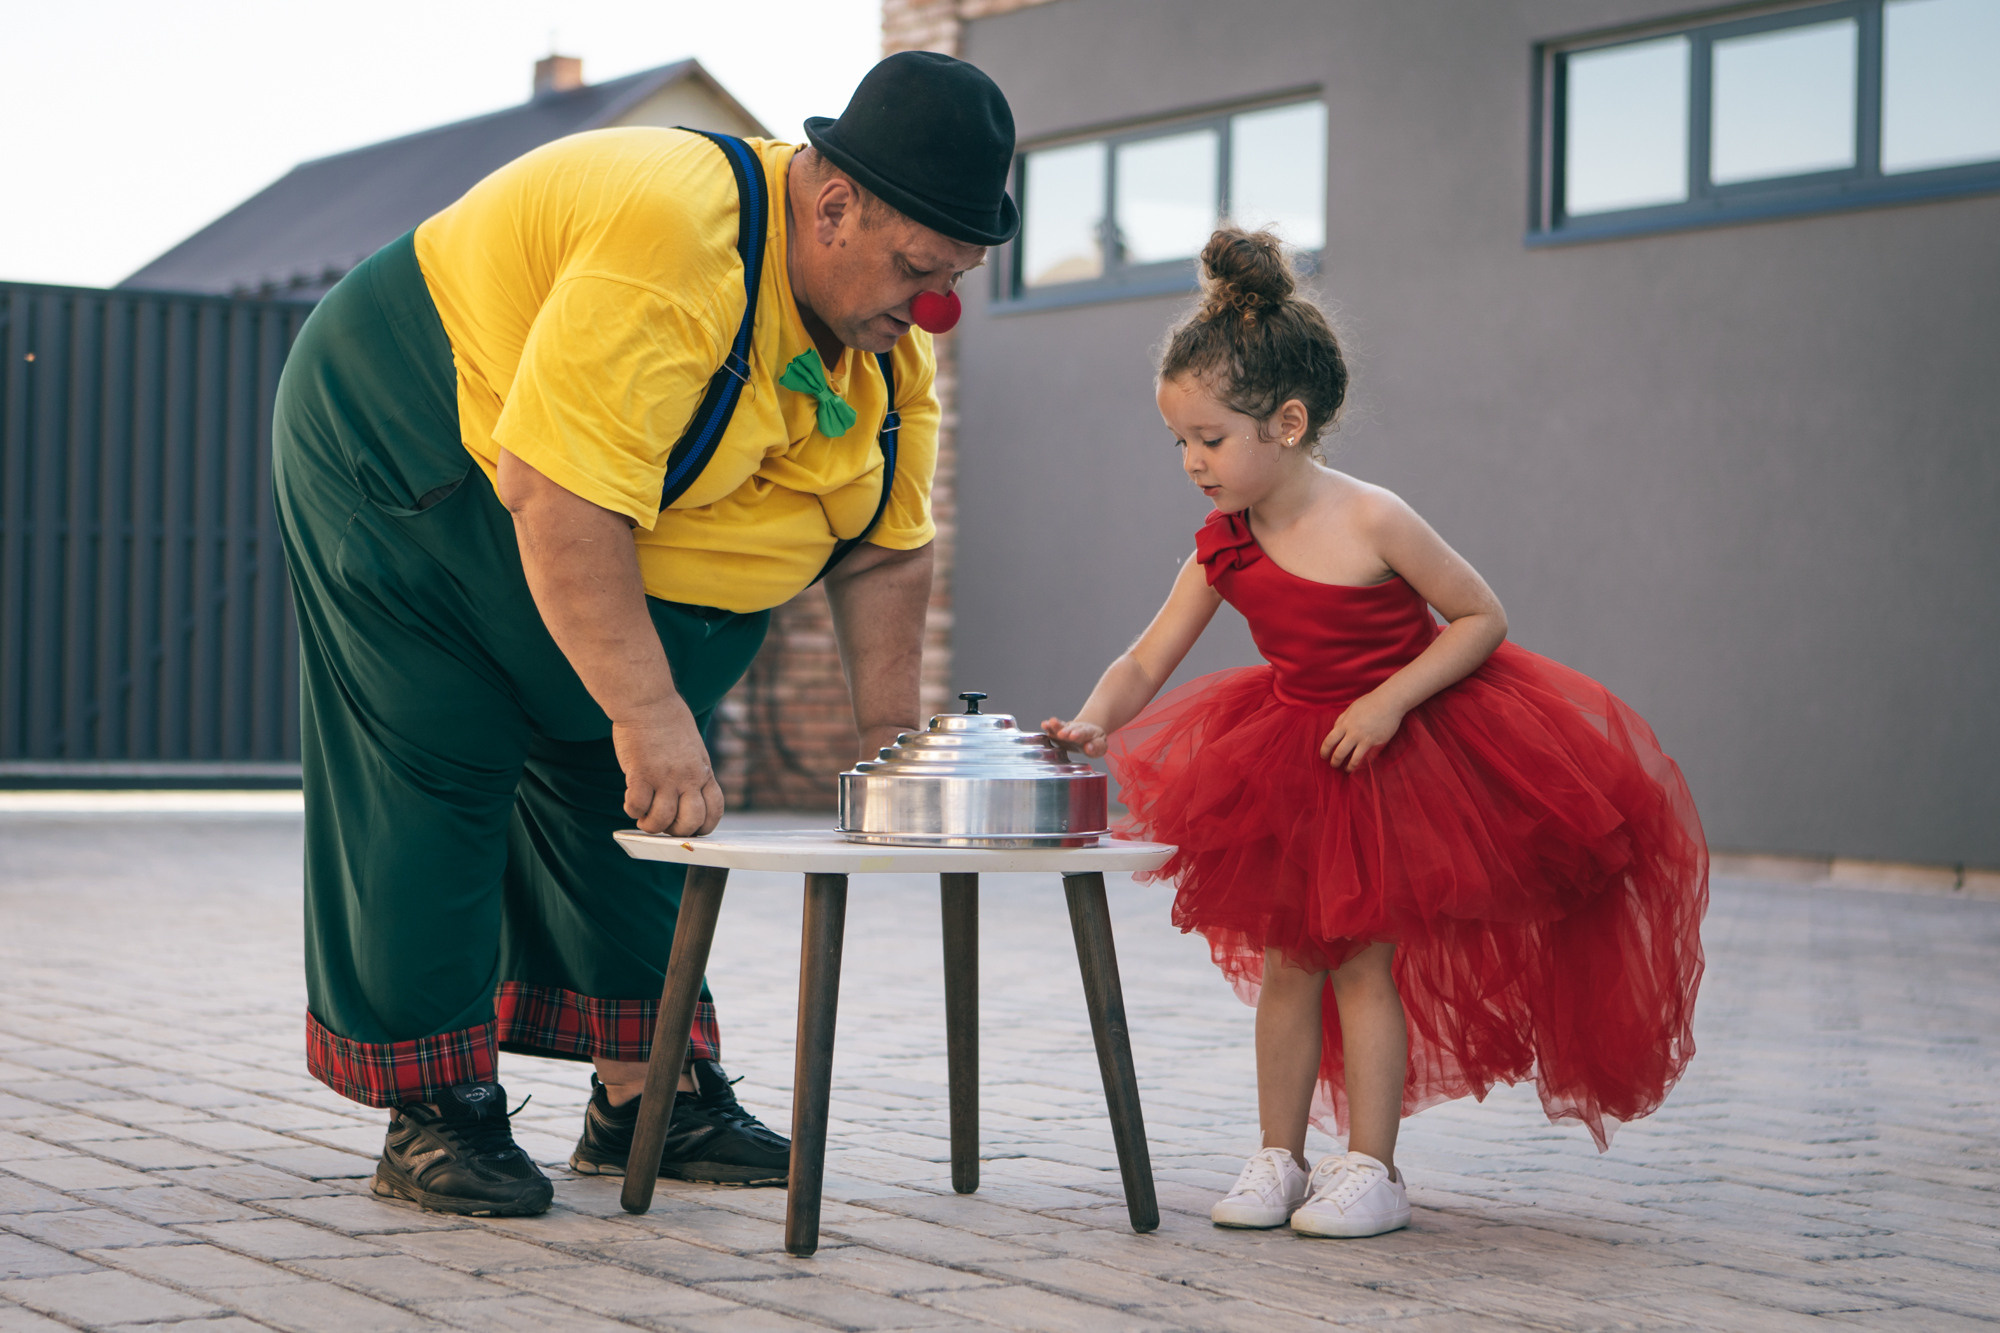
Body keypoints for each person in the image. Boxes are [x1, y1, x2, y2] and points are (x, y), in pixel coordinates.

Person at [272, 52, 1018, 1217]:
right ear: (833, 206)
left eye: (956, 277)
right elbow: (560, 495)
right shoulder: (677, 250)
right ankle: (438, 1108)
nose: (932, 307)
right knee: (444, 750)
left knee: (630, 790)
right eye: (920, 270)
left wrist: (888, 748)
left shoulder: (885, 348)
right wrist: (649, 707)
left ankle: (651, 1095)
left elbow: (887, 542)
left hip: (578, 521)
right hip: (411, 448)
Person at [1043, 227, 1708, 1240]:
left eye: (1210, 439)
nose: (1191, 463)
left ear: (1287, 422)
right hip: (1288, 760)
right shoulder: (1223, 544)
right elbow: (1145, 659)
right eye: (1178, 441)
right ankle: (1277, 1154)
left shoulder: (1373, 518)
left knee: (1360, 962)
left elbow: (1480, 616)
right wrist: (1093, 718)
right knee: (1285, 961)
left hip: (1395, 756)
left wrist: (1392, 697)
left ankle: (1371, 1167)